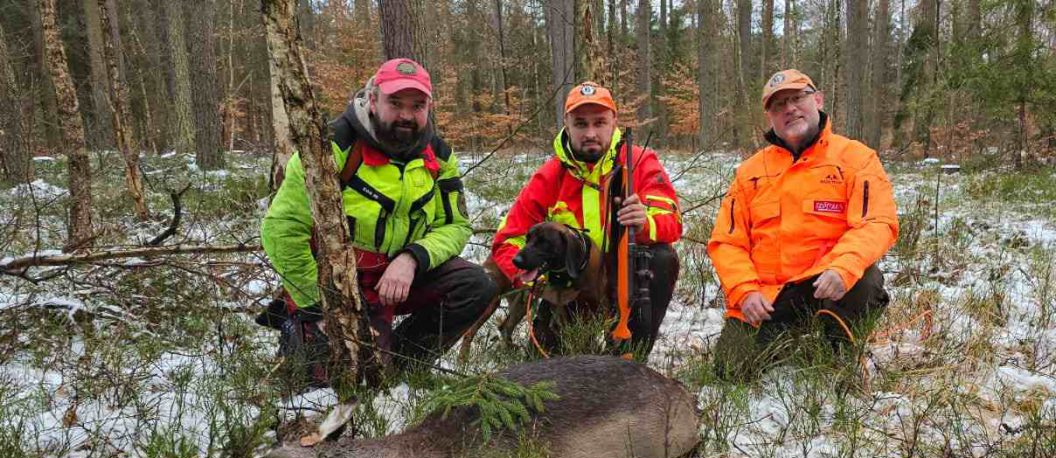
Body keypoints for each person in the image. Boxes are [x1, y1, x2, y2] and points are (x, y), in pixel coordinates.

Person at [261, 58, 495, 383]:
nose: (406, 115)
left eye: (417, 105)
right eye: (395, 103)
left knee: (475, 285)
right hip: (339, 284)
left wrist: (412, 258)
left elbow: (455, 225)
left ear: (430, 106)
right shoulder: (331, 145)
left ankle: (401, 366)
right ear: (372, 100)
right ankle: (307, 335)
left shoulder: (439, 155)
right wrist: (317, 306)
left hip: (398, 282)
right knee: (335, 386)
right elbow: (281, 229)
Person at [708, 69, 899, 377]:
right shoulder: (750, 172)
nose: (789, 109)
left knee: (861, 279)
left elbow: (876, 222)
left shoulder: (856, 159)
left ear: (818, 100)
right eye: (778, 105)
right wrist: (744, 290)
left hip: (830, 286)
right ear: (770, 116)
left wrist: (843, 267)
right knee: (730, 370)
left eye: (797, 98)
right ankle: (788, 339)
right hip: (769, 296)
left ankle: (837, 349)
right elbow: (727, 242)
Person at [491, 81, 682, 357]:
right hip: (569, 290)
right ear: (566, 124)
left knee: (662, 258)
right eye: (580, 124)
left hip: (622, 283)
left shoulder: (639, 161)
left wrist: (644, 223)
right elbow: (508, 239)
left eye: (599, 122)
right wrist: (533, 281)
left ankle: (633, 351)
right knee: (550, 370)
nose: (590, 133)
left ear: (614, 122)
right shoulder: (550, 175)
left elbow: (672, 221)